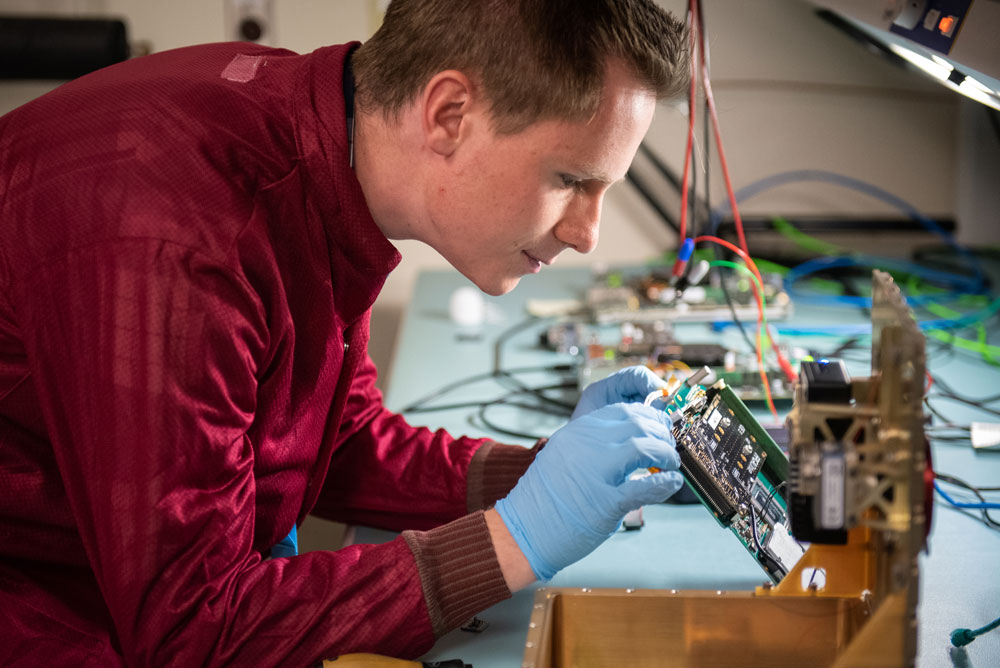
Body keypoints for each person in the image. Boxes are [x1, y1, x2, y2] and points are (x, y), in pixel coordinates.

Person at [0, 0, 687, 665]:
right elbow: (194, 631)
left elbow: (334, 444)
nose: (587, 234)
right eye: (570, 180)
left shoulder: (317, 137)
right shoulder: (186, 238)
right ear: (450, 114)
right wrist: (513, 541)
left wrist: (536, 477)